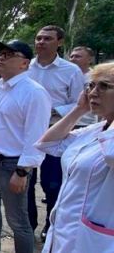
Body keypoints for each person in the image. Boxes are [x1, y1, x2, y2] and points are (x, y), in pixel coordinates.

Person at [0, 40, 52, 253]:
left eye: (8, 55)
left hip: (12, 165)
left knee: (18, 220)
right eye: (0, 54)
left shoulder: (34, 93)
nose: (1, 58)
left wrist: (22, 171)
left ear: (24, 63)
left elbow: (36, 138)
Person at [34, 62, 114, 252]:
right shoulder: (95, 129)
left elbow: (111, 155)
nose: (93, 93)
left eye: (104, 86)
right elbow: (47, 144)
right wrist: (79, 109)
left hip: (95, 239)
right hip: (65, 227)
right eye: (91, 85)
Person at [27, 26, 93, 239]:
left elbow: (79, 103)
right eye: (38, 38)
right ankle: (28, 224)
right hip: (27, 132)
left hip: (55, 133)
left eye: (47, 38)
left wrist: (53, 110)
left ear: (60, 42)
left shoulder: (71, 71)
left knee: (52, 183)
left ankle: (50, 225)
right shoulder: (26, 67)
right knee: (25, 180)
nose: (41, 42)